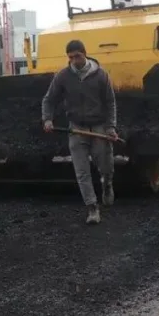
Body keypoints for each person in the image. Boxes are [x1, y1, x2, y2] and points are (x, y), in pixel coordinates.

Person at [42, 39, 117, 225]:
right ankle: (92, 207)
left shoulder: (101, 75)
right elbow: (49, 99)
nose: (74, 61)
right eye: (70, 58)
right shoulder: (63, 77)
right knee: (82, 172)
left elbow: (110, 103)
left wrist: (111, 127)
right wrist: (48, 119)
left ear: (85, 54)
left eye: (77, 56)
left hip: (99, 127)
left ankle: (107, 184)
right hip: (76, 128)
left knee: (106, 166)